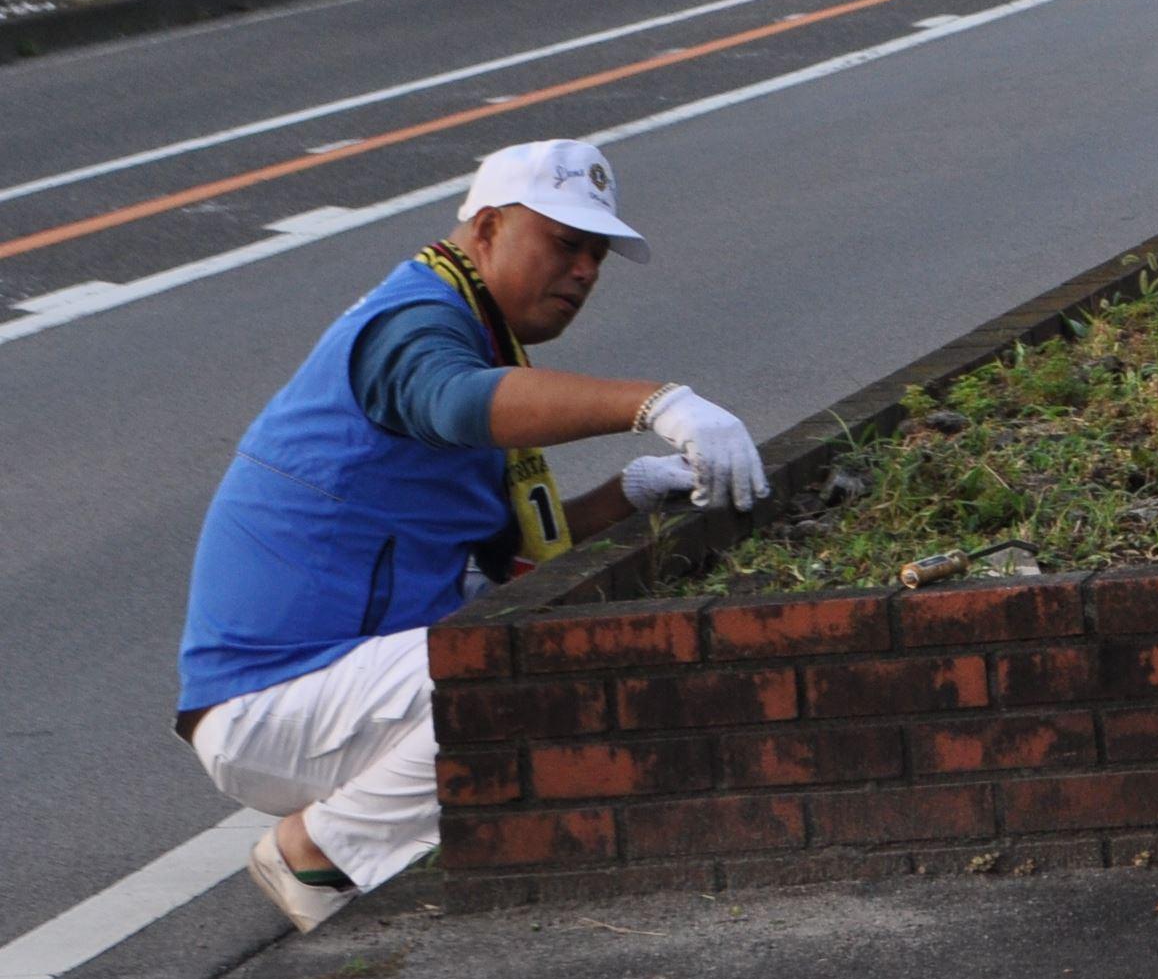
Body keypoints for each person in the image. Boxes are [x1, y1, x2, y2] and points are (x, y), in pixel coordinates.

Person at [176, 142, 762, 934]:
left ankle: (365, 844)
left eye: (596, 252)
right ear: (486, 227)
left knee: (536, 650)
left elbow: (519, 558)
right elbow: (453, 401)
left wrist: (631, 492)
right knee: (527, 671)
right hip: (273, 695)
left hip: (333, 683)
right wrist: (659, 402)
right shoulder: (414, 319)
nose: (585, 269)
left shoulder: (473, 329)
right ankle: (316, 850)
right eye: (564, 242)